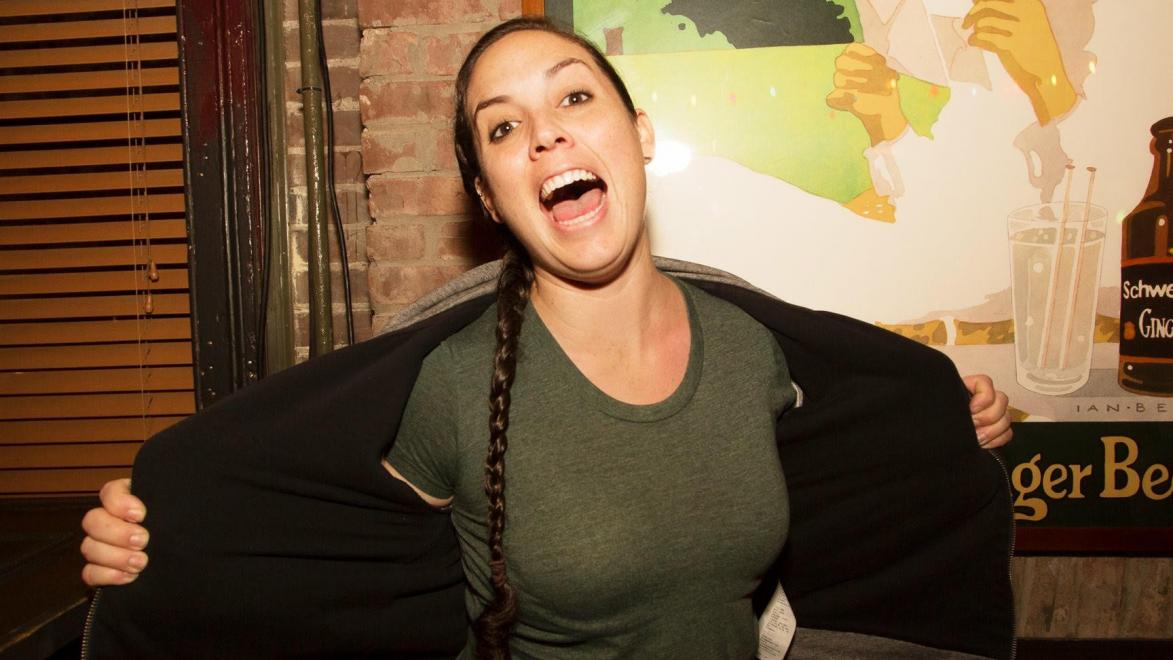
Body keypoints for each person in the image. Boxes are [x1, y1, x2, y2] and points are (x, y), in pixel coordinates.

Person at [79, 17, 1014, 659]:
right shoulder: (449, 385)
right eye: (502, 127)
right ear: (489, 198)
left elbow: (868, 462)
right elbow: (298, 538)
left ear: (639, 135)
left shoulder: (757, 349)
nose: (544, 137)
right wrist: (161, 530)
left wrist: (947, 423)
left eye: (573, 100)